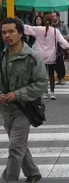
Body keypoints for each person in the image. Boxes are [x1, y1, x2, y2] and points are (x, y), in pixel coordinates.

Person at [0, 18, 48, 183]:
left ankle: (8, 180)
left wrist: (17, 94)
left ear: (20, 33)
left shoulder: (32, 57)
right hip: (6, 110)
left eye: (11, 31)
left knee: (15, 148)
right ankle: (33, 173)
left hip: (24, 110)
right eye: (4, 32)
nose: (7, 35)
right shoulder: (2, 57)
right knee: (19, 145)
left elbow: (42, 83)